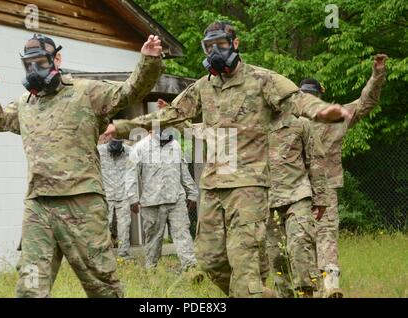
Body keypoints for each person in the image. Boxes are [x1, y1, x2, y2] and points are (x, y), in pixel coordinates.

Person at [104, 21, 352, 297]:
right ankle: (257, 293)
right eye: (209, 47)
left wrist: (322, 112)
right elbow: (171, 114)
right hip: (213, 185)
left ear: (235, 44)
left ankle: (252, 291)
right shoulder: (203, 87)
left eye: (220, 44)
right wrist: (124, 126)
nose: (214, 51)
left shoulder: (262, 79)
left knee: (243, 260)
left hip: (249, 186)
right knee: (210, 260)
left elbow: (298, 101)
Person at [0, 33, 165, 298]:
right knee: (30, 287)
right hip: (39, 206)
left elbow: (130, 91)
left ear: (56, 59)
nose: (35, 69)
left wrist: (149, 61)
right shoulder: (24, 105)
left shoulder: (86, 92)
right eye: (29, 64)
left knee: (102, 286)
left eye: (40, 62)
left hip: (82, 203)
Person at [300, 53, 387, 298]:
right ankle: (328, 283)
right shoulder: (334, 116)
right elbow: (365, 102)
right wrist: (377, 73)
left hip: (296, 186)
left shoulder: (292, 118)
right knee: (325, 233)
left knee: (299, 236)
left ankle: (307, 286)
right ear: (320, 95)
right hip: (324, 184)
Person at [265, 109, 328, 298]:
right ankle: (285, 295)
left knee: (300, 246)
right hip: (267, 201)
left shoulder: (301, 124)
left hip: (297, 196)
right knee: (276, 257)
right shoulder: (254, 126)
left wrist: (321, 198)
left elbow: (315, 160)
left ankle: (307, 293)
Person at [130, 129, 198, 271]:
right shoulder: (140, 147)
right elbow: (131, 175)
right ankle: (151, 271)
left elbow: (183, 170)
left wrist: (192, 193)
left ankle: (191, 269)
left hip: (176, 199)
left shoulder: (175, 145)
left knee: (183, 234)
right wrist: (132, 198)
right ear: (151, 129)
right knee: (154, 240)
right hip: (152, 202)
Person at [98, 137, 139, 260]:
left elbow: (132, 176)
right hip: (105, 195)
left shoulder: (130, 152)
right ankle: (103, 255)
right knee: (104, 225)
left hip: (124, 195)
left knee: (124, 226)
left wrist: (133, 200)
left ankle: (124, 254)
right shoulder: (99, 151)